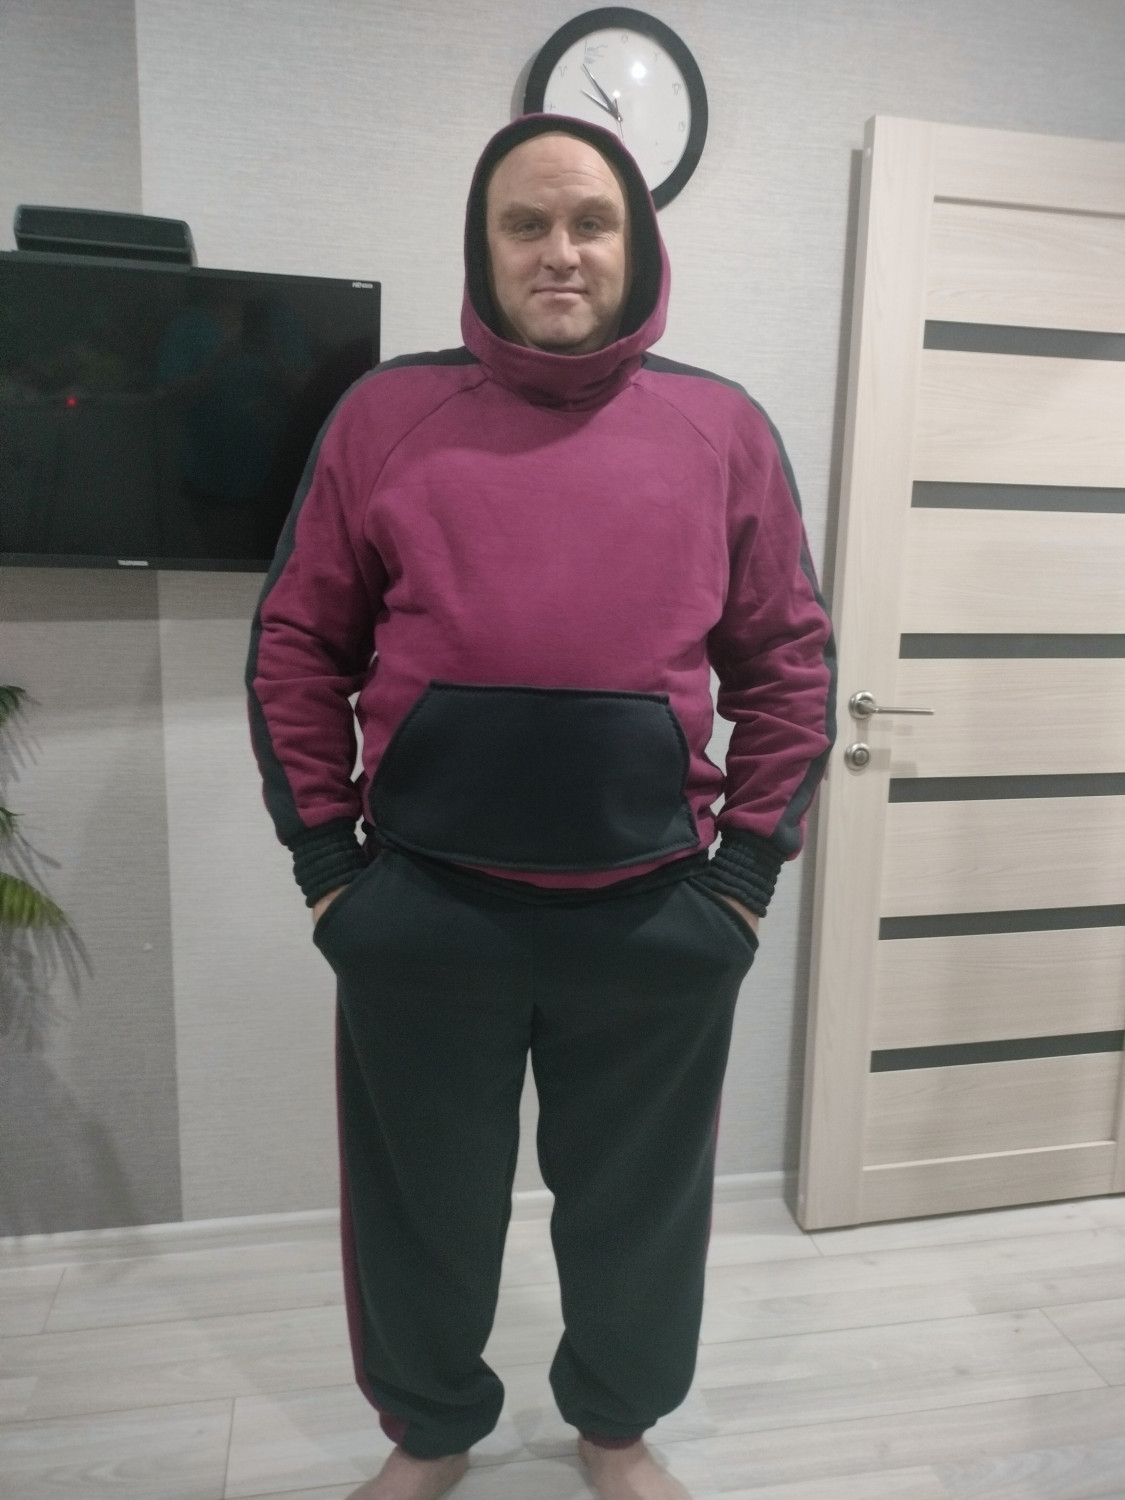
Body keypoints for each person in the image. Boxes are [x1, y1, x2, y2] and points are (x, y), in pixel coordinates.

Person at [246, 114, 836, 1500]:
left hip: (651, 924)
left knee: (639, 1214)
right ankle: (431, 1436)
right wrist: (330, 868)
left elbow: (788, 664)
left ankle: (615, 1432)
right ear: (483, 247)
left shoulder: (722, 428)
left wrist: (743, 882)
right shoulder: (384, 416)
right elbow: (296, 645)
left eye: (590, 222)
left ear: (636, 247)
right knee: (418, 1214)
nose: (559, 251)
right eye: (526, 223)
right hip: (423, 914)